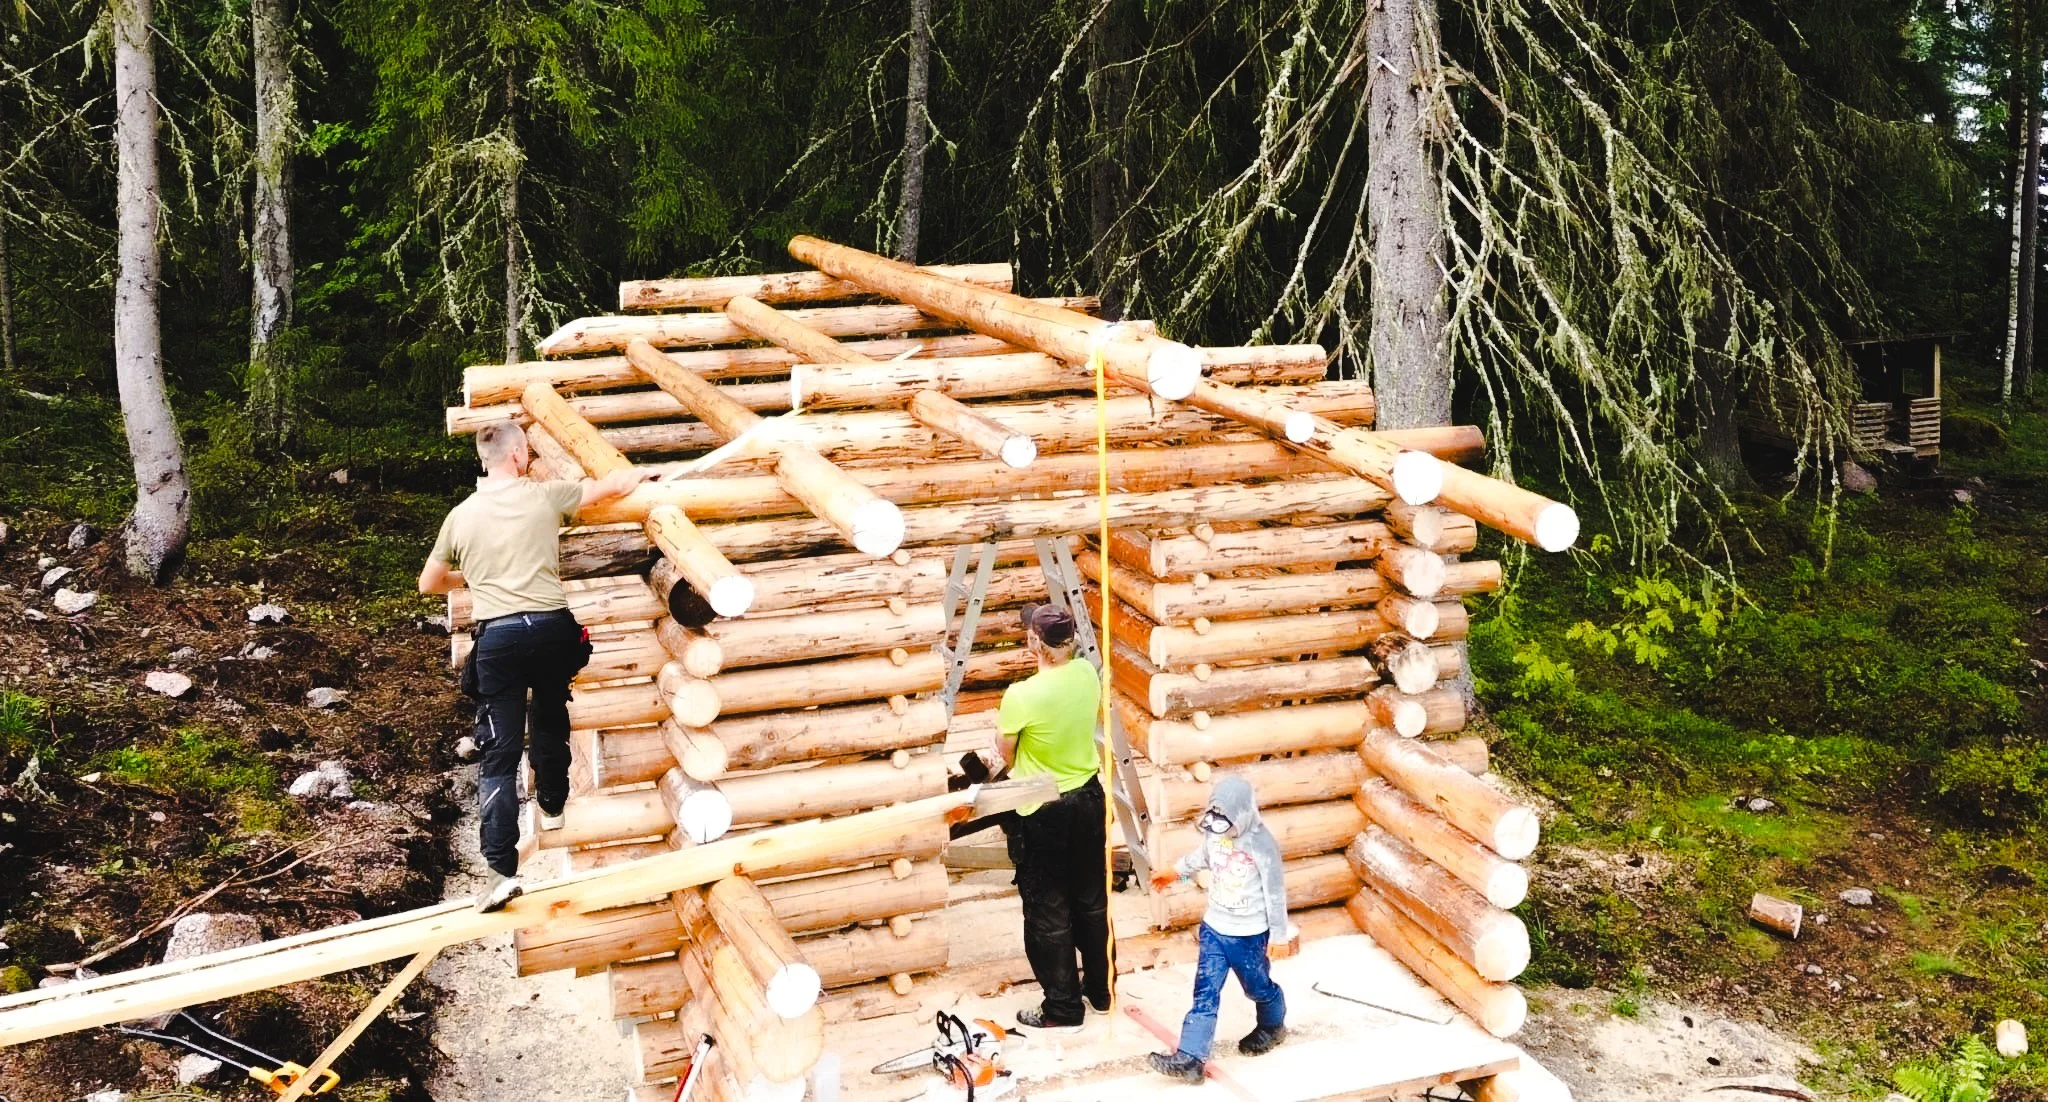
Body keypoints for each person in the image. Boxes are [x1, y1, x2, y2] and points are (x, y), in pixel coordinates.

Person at [418, 420, 651, 912]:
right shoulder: (547, 496)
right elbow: (612, 484)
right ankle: (553, 802)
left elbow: (429, 583)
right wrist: (642, 477)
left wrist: (475, 576)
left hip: (498, 639)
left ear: (485, 459)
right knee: (550, 709)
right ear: (520, 454)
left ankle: (501, 870)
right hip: (549, 628)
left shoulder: (461, 516)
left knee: (499, 752)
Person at [991, 602, 1111, 1028]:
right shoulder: (1086, 675)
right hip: (1088, 799)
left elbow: (1004, 753)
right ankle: (1100, 989)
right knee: (1091, 902)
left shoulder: (1022, 695)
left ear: (1033, 644)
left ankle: (1063, 1006)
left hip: (1043, 809)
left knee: (1048, 910)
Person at [1145, 774, 1296, 1081]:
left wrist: (1278, 936)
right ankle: (1190, 1057)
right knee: (1205, 992)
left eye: (1223, 817)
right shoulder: (1216, 835)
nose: (1215, 823)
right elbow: (1202, 857)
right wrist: (1175, 872)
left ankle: (1272, 1025)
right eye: (1213, 815)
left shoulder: (1261, 844)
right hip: (1214, 929)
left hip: (1248, 936)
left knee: (1257, 987)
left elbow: (1275, 893)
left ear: (1241, 814)